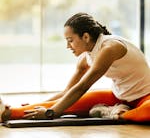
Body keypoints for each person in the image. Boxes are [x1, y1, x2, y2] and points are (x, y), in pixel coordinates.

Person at [1, 12, 150, 122]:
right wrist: (42, 105)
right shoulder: (85, 57)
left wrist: (51, 113)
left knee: (148, 111)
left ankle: (117, 114)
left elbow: (83, 86)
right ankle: (5, 113)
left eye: (70, 40)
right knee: (65, 103)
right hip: (119, 97)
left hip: (145, 97)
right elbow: (68, 92)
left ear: (85, 37)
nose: (67, 46)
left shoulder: (110, 48)